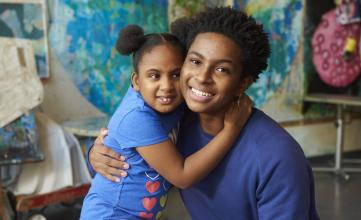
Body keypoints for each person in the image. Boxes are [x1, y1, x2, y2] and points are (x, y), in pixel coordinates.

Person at [89, 7, 319, 220]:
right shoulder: (178, 120)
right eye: (196, 61)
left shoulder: (277, 157)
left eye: (222, 69)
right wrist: (96, 153)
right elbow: (131, 143)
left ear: (242, 83)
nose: (202, 77)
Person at [80, 24, 252, 220]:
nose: (167, 86)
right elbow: (182, 175)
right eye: (154, 76)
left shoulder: (180, 102)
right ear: (136, 82)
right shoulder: (136, 117)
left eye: (176, 75)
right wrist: (232, 129)